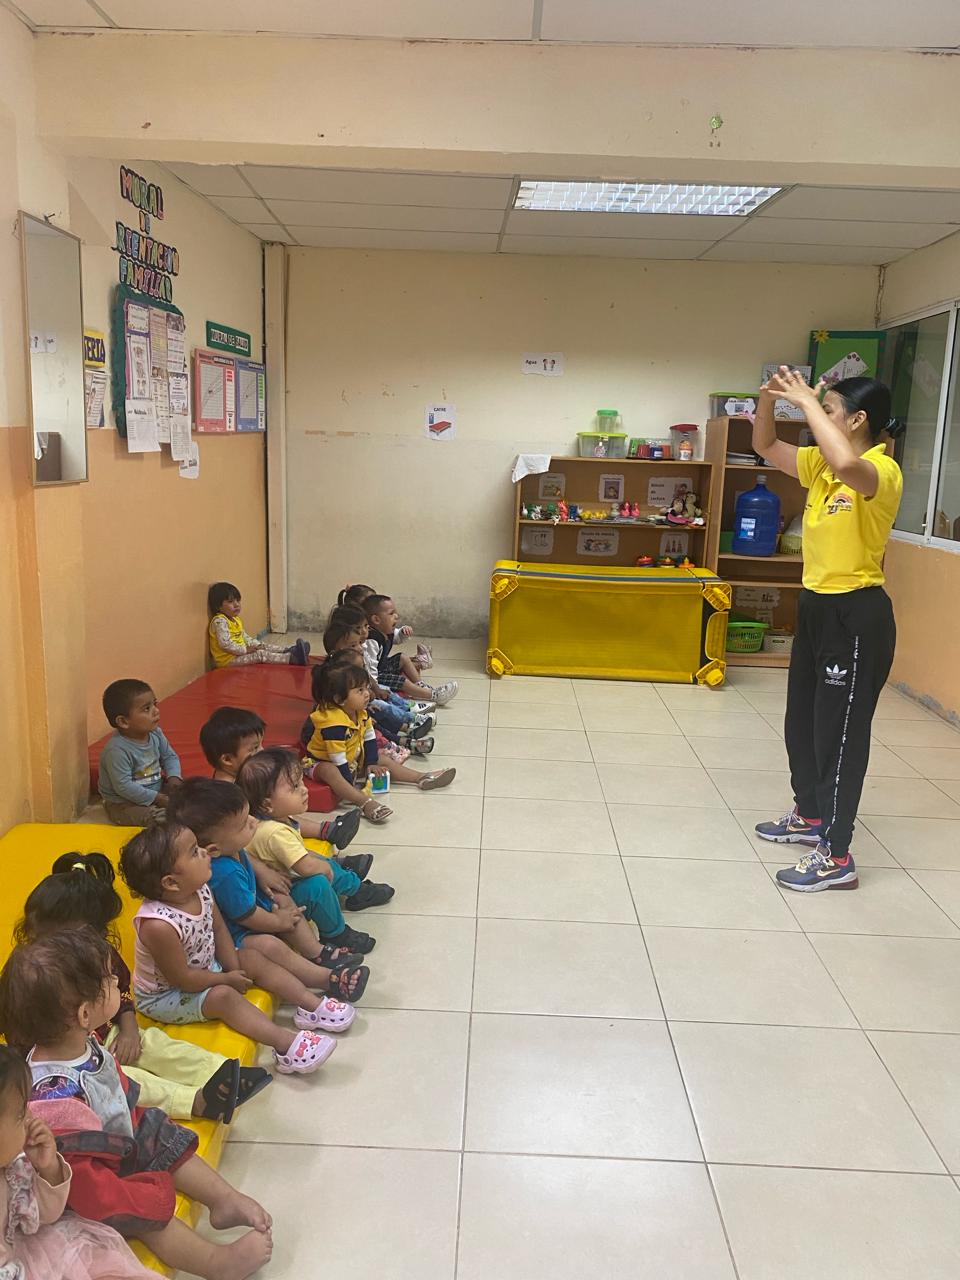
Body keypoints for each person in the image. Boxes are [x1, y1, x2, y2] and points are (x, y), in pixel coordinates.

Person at [0, 930, 273, 1280]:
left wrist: (142, 1124)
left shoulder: (82, 1041)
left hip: (117, 1139)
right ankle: (216, 1263)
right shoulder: (55, 1095)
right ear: (85, 1013)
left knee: (164, 1134)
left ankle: (224, 1200)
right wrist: (136, 1195)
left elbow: (115, 1088)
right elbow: (86, 1183)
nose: (117, 981)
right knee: (146, 1215)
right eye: (109, 980)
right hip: (91, 1178)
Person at [751, 368, 904, 891]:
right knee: (802, 721)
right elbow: (765, 444)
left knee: (839, 734)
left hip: (856, 614)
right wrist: (768, 400)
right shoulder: (819, 465)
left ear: (858, 420)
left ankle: (837, 855)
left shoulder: (880, 470)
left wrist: (806, 403)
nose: (817, 416)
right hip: (816, 604)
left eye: (830, 409)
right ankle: (810, 813)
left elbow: (846, 462)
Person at [16, 851, 272, 1124]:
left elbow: (122, 993)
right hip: (68, 1057)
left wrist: (129, 1030)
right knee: (122, 1081)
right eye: (40, 938)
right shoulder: (33, 974)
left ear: (92, 935)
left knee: (158, 1046)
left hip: (107, 1035)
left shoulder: (99, 956)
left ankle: (221, 1071)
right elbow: (23, 1035)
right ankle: (196, 1101)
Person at [119, 824, 337, 1075]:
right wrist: (226, 979)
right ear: (171, 882)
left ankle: (312, 1004)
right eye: (194, 852)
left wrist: (233, 966)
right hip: (167, 995)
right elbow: (183, 979)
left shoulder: (200, 889)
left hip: (204, 967)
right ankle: (286, 1045)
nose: (204, 852)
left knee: (251, 958)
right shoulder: (158, 926)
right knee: (223, 997)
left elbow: (219, 929)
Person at [167, 778, 369, 1006]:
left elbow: (251, 874)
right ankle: (326, 979)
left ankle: (318, 953)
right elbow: (246, 916)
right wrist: (278, 922)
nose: (254, 822)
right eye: (244, 824)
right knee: (271, 945)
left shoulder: (230, 849)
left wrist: (264, 875)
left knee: (284, 901)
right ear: (213, 849)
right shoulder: (224, 873)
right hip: (237, 936)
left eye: (249, 816)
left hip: (254, 911)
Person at [0, 1043, 154, 1278]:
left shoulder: (12, 1167)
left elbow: (42, 1217)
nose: (31, 1118)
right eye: (21, 1114)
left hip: (30, 1252)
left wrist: (49, 1169)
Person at [236, 748, 388, 954]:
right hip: (276, 900)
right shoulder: (275, 832)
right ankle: (336, 934)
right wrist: (325, 868)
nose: (304, 789)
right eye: (294, 787)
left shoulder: (273, 820)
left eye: (301, 782)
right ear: (267, 805)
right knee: (318, 884)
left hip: (281, 884)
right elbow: (306, 868)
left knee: (321, 861)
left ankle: (356, 890)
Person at [303, 661, 455, 823]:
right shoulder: (333, 723)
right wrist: (350, 783)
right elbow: (337, 758)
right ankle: (364, 803)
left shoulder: (360, 712)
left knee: (381, 759)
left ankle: (421, 777)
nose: (367, 694)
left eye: (366, 688)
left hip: (350, 760)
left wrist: (371, 763)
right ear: (340, 699)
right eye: (359, 690)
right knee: (330, 771)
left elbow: (370, 738)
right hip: (321, 763)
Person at [199, 705, 365, 847]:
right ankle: (323, 840)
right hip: (257, 841)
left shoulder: (243, 774)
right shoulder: (228, 793)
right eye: (254, 748)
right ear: (227, 759)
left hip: (268, 826)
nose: (262, 751)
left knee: (282, 814)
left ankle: (327, 830)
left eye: (261, 744)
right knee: (279, 820)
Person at [98, 679, 182, 826]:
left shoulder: (155, 733)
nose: (156, 711)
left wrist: (174, 778)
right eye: (147, 709)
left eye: (155, 704)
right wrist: (158, 799)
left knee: (192, 795)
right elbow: (124, 787)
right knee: (160, 818)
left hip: (156, 791)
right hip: (124, 802)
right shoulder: (116, 750)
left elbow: (169, 756)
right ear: (123, 721)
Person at [362, 595, 458, 704]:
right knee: (402, 681)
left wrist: (403, 633)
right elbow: (370, 668)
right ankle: (432, 695)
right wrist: (375, 688)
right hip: (374, 679)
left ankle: (421, 685)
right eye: (391, 613)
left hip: (382, 668)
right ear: (376, 619)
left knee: (402, 657)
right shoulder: (372, 640)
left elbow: (397, 637)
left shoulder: (386, 630)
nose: (396, 616)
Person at [207, 582, 309, 668]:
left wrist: (256, 644)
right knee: (260, 654)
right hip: (228, 661)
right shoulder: (219, 621)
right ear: (218, 606)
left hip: (238, 653)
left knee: (262, 646)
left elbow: (244, 636)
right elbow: (225, 644)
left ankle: (288, 650)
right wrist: (245, 650)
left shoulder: (235, 620)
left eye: (238, 600)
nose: (236, 604)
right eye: (230, 602)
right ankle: (292, 658)